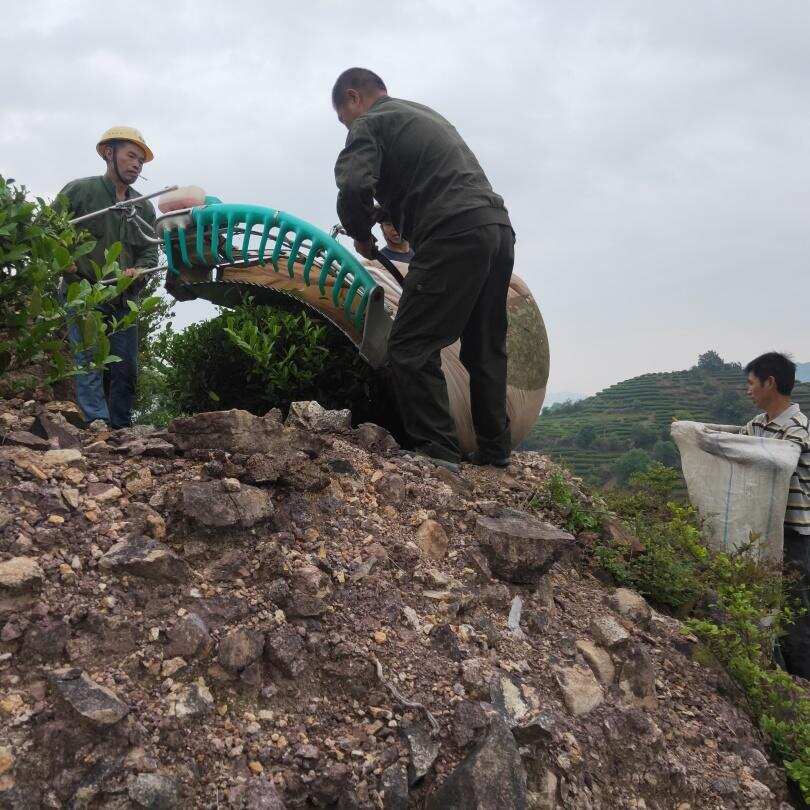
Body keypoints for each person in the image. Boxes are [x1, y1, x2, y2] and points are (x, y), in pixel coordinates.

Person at [332, 67, 514, 469]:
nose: (346, 125)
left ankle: (437, 452)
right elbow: (426, 181)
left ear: (353, 98)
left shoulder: (369, 123)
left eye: (342, 117)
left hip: (451, 233)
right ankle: (495, 449)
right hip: (496, 229)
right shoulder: (422, 114)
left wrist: (361, 232)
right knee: (485, 347)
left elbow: (354, 185)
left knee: (409, 346)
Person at [59, 126, 158, 428]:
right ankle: (96, 425)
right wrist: (65, 261)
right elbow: (51, 228)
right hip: (83, 292)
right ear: (108, 153)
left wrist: (139, 271)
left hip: (123, 299)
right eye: (131, 156)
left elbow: (150, 254)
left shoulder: (143, 206)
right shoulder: (79, 191)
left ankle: (120, 429)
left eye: (141, 160)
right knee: (88, 361)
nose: (136, 165)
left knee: (125, 368)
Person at [741, 352, 810, 677]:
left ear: (770, 382)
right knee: (761, 603)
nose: (748, 390)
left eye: (752, 383)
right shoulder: (756, 426)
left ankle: (801, 686)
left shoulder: (799, 428)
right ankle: (774, 675)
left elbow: (780, 462)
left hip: (794, 535)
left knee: (796, 611)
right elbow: (730, 443)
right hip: (761, 531)